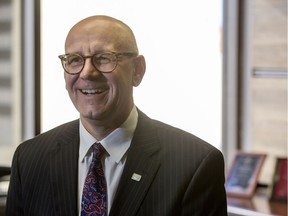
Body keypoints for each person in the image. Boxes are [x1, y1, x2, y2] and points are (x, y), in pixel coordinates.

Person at [5, 15, 227, 216]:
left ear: (137, 70)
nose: (87, 72)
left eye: (104, 58)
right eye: (74, 59)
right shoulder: (30, 159)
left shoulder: (194, 164)